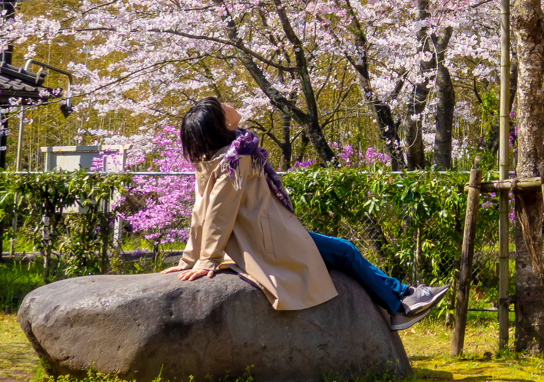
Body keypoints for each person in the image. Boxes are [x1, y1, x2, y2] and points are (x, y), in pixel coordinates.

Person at [162, 97, 448, 330]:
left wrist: (191, 258)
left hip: (266, 235)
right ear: (223, 123)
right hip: (268, 242)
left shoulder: (216, 160)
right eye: (221, 106)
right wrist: (206, 260)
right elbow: (216, 214)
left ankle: (406, 296)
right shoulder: (234, 161)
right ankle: (399, 307)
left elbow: (201, 211)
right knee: (346, 251)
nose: (228, 103)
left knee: (343, 251)